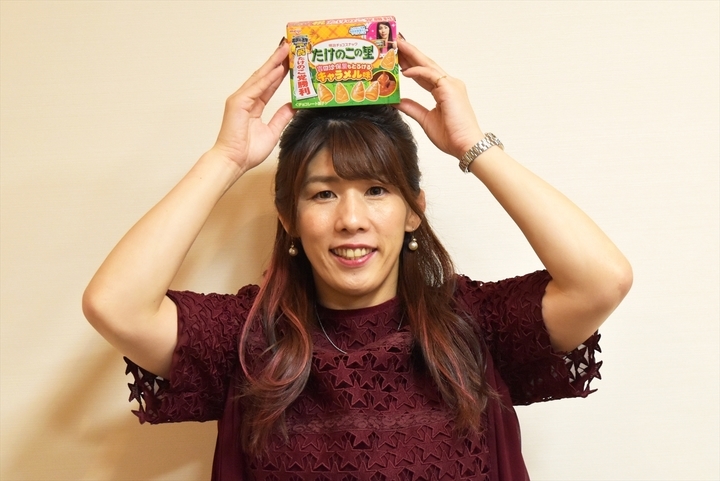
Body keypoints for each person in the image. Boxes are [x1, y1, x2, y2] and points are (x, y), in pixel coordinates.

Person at [83, 35, 632, 480]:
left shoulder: (474, 324)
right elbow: (116, 306)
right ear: (289, 218)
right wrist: (225, 158)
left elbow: (602, 280)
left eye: (376, 190)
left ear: (413, 211)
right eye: (323, 193)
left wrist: (473, 145)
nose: (351, 219)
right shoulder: (248, 337)